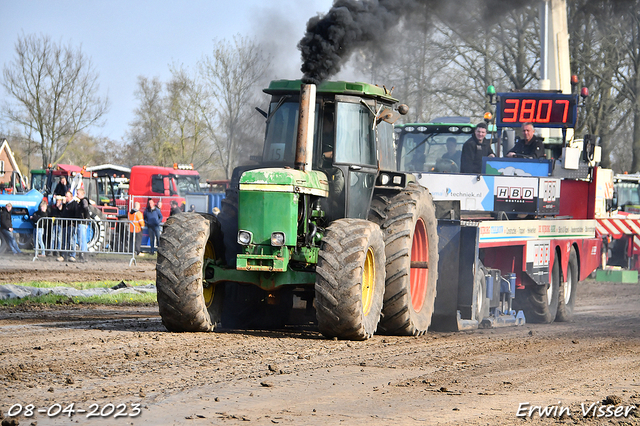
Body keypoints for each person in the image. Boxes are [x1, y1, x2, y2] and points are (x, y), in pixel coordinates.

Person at [59, 191, 77, 262]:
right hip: (64, 225)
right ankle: (63, 255)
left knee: (72, 240)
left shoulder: (74, 204)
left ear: (71, 197)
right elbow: (62, 214)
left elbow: (75, 214)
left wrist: (74, 223)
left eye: (67, 196)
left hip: (70, 225)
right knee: (64, 240)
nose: (66, 198)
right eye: (65, 196)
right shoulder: (65, 205)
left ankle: (72, 255)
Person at [75, 188, 92, 262]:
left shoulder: (83, 201)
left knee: (82, 239)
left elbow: (86, 209)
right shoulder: (81, 202)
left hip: (82, 222)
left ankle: (83, 254)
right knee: (81, 238)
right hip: (81, 222)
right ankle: (83, 254)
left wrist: (86, 219)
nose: (77, 194)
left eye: (78, 193)